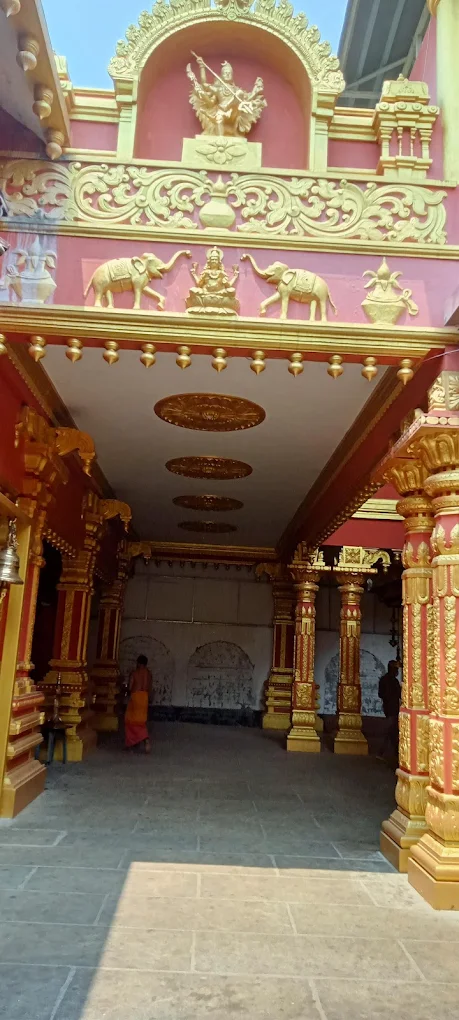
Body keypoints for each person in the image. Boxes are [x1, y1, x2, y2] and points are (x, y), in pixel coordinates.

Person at [125, 655, 152, 753]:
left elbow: (130, 687)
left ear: (139, 663)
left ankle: (134, 742)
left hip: (135, 697)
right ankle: (142, 741)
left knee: (130, 721)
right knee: (141, 721)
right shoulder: (149, 674)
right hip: (144, 697)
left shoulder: (134, 673)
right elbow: (150, 687)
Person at [378, 660, 401, 761]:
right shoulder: (393, 682)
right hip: (392, 708)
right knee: (391, 729)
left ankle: (395, 752)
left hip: (388, 707)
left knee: (392, 730)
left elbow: (380, 694)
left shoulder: (383, 679)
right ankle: (382, 752)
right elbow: (400, 694)